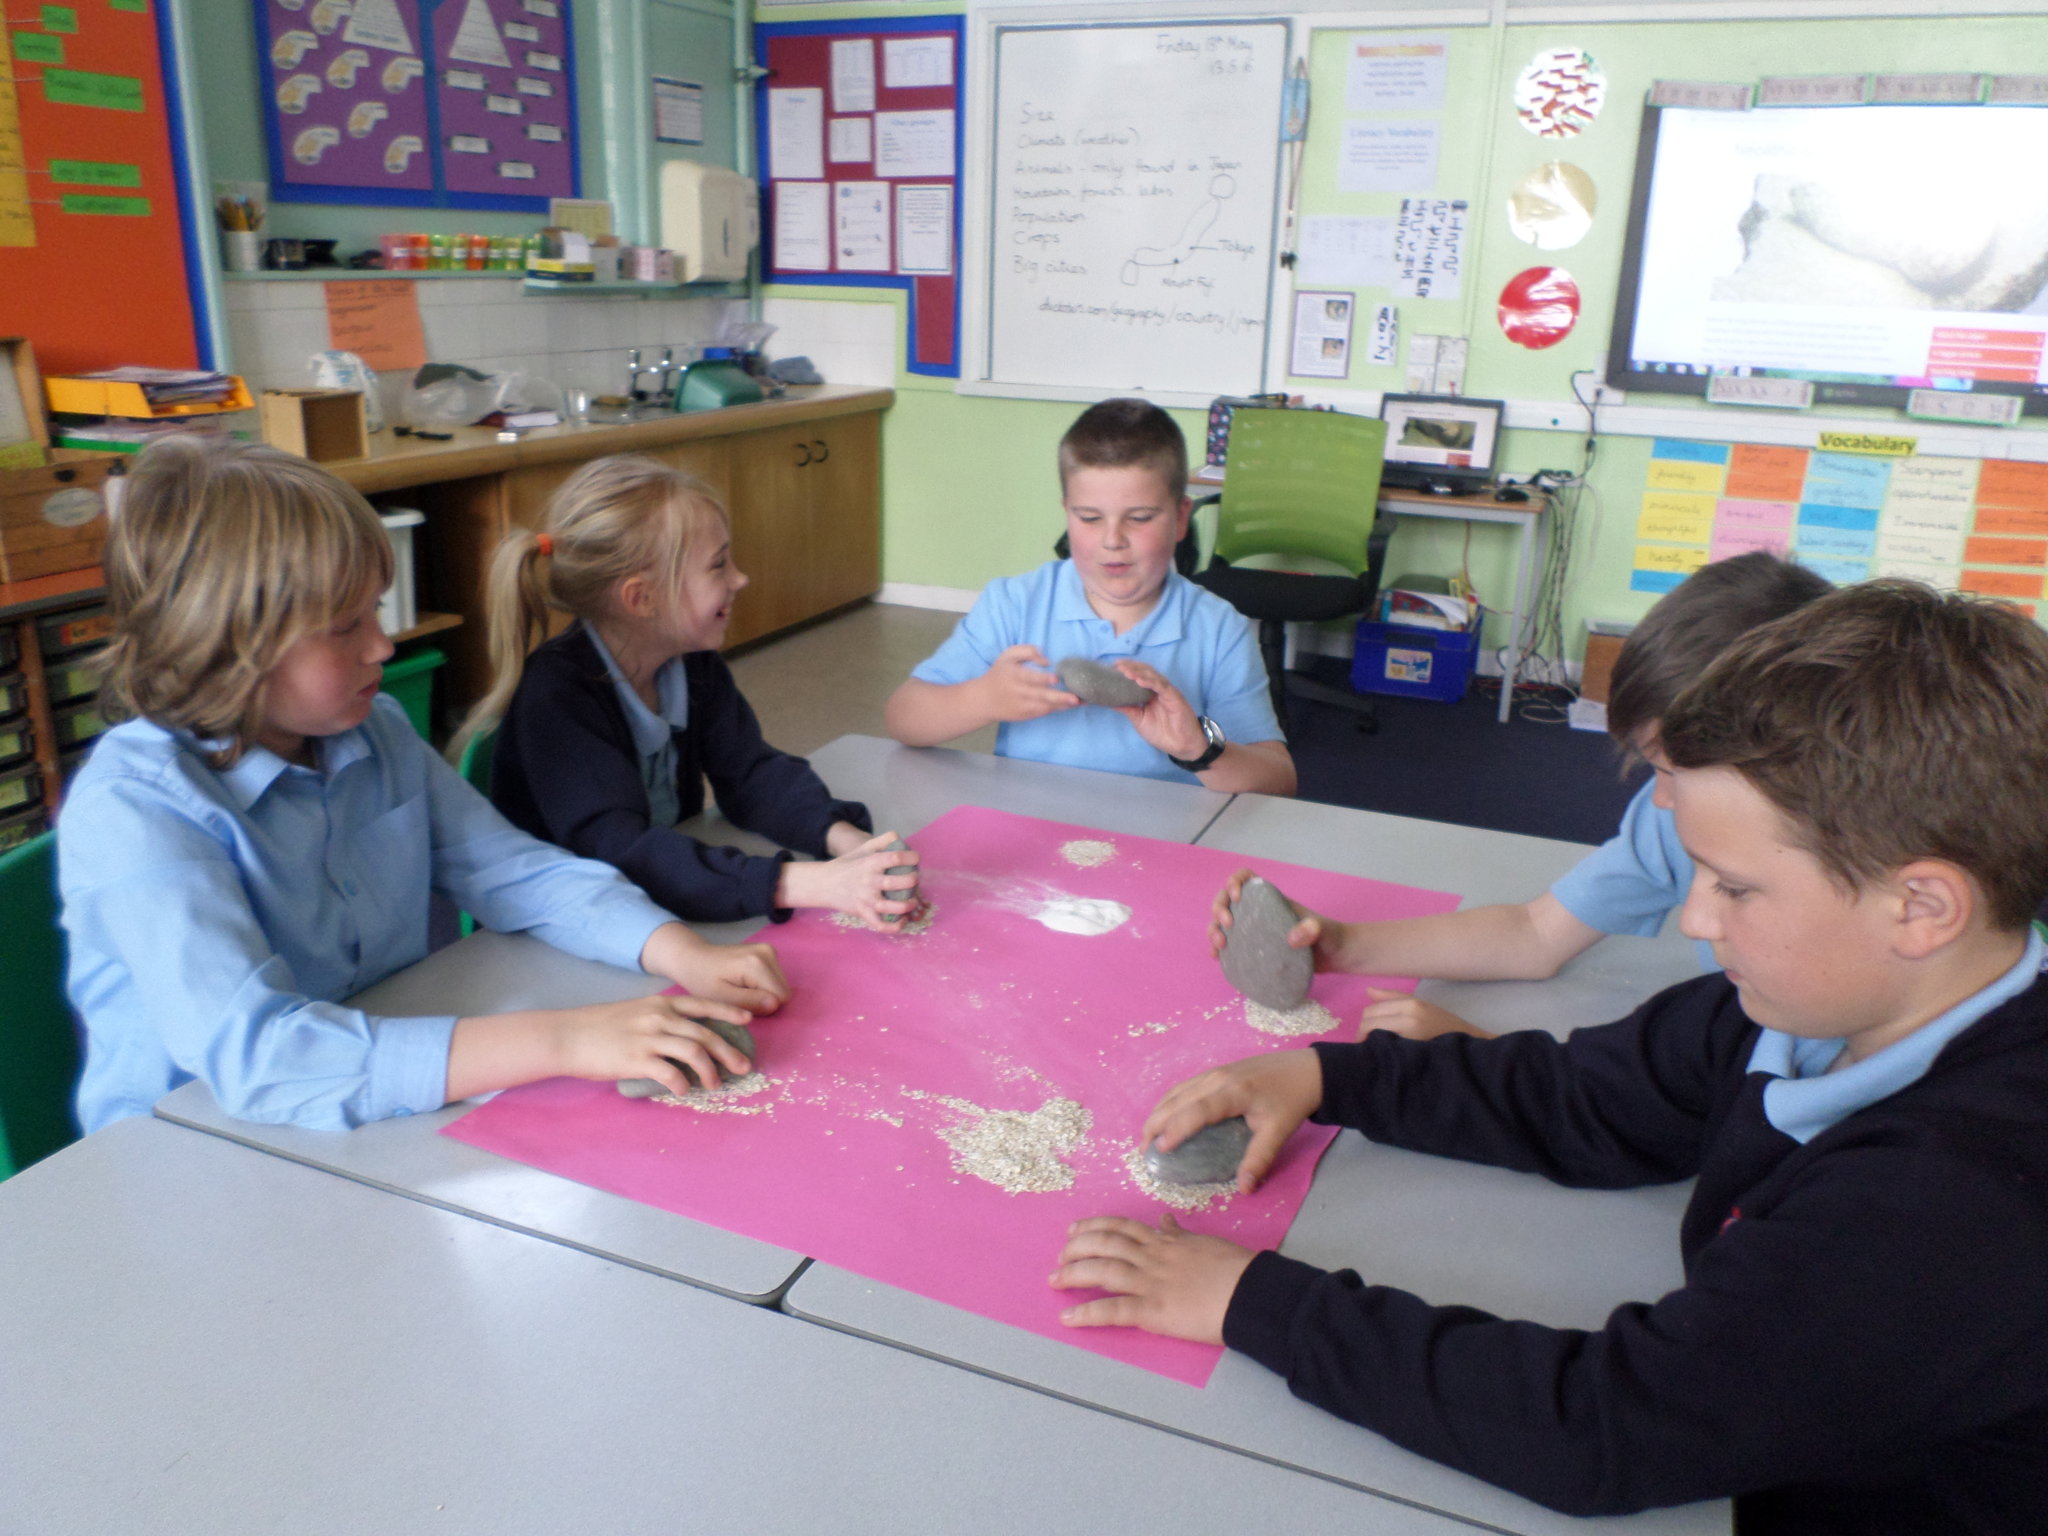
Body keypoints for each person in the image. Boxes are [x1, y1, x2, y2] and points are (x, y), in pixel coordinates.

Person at [1053, 580, 2048, 1530]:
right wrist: (1328, 1077)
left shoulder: (1960, 1196)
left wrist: (1252, 1301)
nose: (1694, 919)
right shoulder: (1810, 1007)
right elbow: (1589, 1100)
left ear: (1918, 907)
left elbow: (1602, 1428)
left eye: (1733, 889)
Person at [59, 439, 791, 1134]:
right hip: (195, 1146)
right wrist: (568, 1039)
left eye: (375, 611)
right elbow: (265, 1060)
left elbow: (515, 870)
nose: (382, 646)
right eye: (345, 627)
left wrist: (678, 952)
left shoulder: (372, 729)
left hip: (378, 1093)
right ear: (222, 646)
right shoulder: (135, 810)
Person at [1208, 551, 1829, 1039]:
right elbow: (1536, 933)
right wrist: (1343, 946)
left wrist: (1488, 1057)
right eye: (1655, 769)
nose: (1660, 801)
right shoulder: (1669, 823)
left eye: (1677, 775)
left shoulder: (1848, 908)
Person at [459, 455, 917, 930]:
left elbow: (751, 773)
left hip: (651, 905)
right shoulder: (556, 694)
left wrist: (843, 839)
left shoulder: (690, 663)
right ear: (642, 598)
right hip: (559, 923)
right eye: (718, 566)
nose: (740, 578)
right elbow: (622, 852)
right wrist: (804, 883)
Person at [884, 398, 1295, 795]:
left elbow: (1279, 780)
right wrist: (980, 699)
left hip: (1164, 839)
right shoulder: (1013, 604)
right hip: (1030, 825)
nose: (1113, 540)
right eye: (1090, 518)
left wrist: (1198, 749)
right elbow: (903, 718)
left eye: (1139, 518)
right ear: (1067, 512)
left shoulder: (1220, 628)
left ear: (1181, 517)